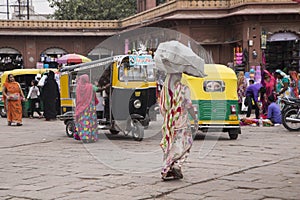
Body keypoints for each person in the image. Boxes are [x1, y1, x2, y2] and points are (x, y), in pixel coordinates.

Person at [159, 73, 198, 180]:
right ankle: (176, 165)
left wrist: (169, 116)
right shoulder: (184, 88)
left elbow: (162, 107)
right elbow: (188, 105)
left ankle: (169, 169)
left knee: (170, 145)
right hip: (182, 122)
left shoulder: (165, 91)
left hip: (169, 122)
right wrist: (195, 118)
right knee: (186, 143)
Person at [74, 74, 98, 143]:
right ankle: (91, 137)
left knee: (83, 122)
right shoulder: (90, 86)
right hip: (90, 107)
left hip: (81, 107)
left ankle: (83, 137)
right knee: (90, 122)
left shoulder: (78, 87)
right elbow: (97, 89)